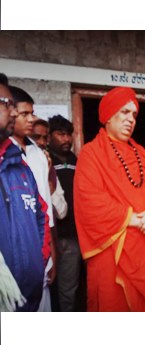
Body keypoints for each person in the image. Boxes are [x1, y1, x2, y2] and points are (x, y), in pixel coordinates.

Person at [73, 86, 145, 311]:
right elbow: (90, 203)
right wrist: (138, 221)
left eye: (134, 115)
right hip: (114, 249)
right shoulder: (91, 154)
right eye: (124, 112)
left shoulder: (143, 154)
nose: (131, 119)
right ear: (108, 116)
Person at [0, 75, 47, 312]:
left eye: (12, 105)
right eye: (5, 103)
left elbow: (40, 216)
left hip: (29, 296)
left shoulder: (20, 164)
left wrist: (39, 260)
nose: (12, 112)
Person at [9, 85, 56, 312]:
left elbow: (45, 209)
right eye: (25, 113)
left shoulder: (38, 154)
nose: (32, 119)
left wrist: (51, 254)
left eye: (32, 113)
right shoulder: (6, 155)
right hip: (16, 251)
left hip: (42, 244)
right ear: (10, 113)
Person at [48, 115, 84, 312]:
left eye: (69, 134)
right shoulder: (44, 159)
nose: (66, 139)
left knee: (71, 287)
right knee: (54, 287)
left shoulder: (75, 160)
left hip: (76, 234)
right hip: (54, 235)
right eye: (61, 134)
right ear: (50, 135)